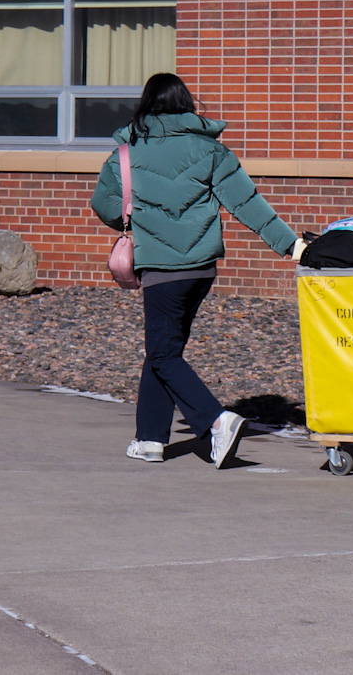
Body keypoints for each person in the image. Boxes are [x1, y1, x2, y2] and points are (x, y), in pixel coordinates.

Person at [90, 73, 300, 467]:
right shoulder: (212, 151)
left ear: (146, 104)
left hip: (161, 271)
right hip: (200, 271)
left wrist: (133, 216)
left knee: (164, 354)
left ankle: (217, 421)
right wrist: (291, 246)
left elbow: (103, 204)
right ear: (186, 104)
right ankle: (150, 438)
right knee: (164, 350)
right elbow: (248, 203)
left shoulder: (125, 154)